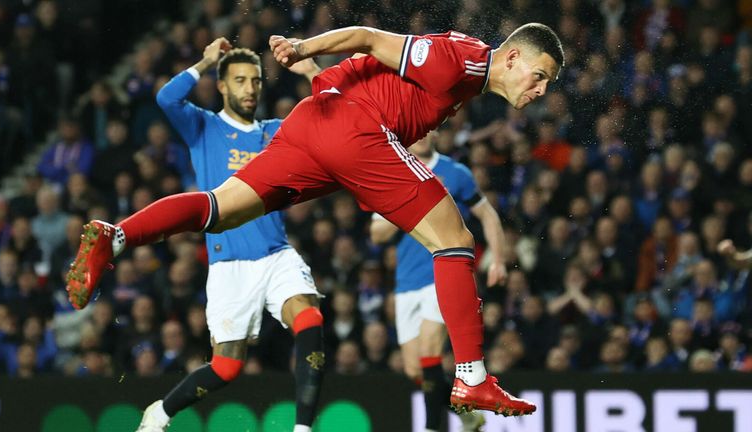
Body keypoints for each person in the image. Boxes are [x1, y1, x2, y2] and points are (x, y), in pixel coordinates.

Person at [68, 23, 563, 416]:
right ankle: (473, 378)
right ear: (513, 56)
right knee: (454, 240)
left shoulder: (470, 74)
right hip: (357, 129)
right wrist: (305, 47)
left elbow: (368, 67)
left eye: (548, 85)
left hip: (317, 122)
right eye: (538, 75)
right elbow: (369, 38)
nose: (540, 90)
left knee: (219, 210)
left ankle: (116, 237)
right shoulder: (464, 58)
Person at [135, 39, 325, 432]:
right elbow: (167, 99)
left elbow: (329, 115)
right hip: (228, 266)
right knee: (226, 366)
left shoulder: (275, 132)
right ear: (222, 86)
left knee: (309, 318)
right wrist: (205, 60)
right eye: (240, 80)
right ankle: (161, 413)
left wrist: (309, 71)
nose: (250, 88)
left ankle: (303, 428)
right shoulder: (204, 126)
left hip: (275, 255)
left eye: (255, 81)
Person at [370, 131, 508, 431]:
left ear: (435, 132)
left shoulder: (455, 172)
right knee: (413, 368)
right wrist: (407, 200)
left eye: (429, 128)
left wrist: (497, 258)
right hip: (406, 280)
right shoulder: (393, 173)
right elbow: (376, 234)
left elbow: (487, 215)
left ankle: (432, 427)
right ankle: (467, 410)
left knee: (430, 351)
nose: (423, 134)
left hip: (443, 274)